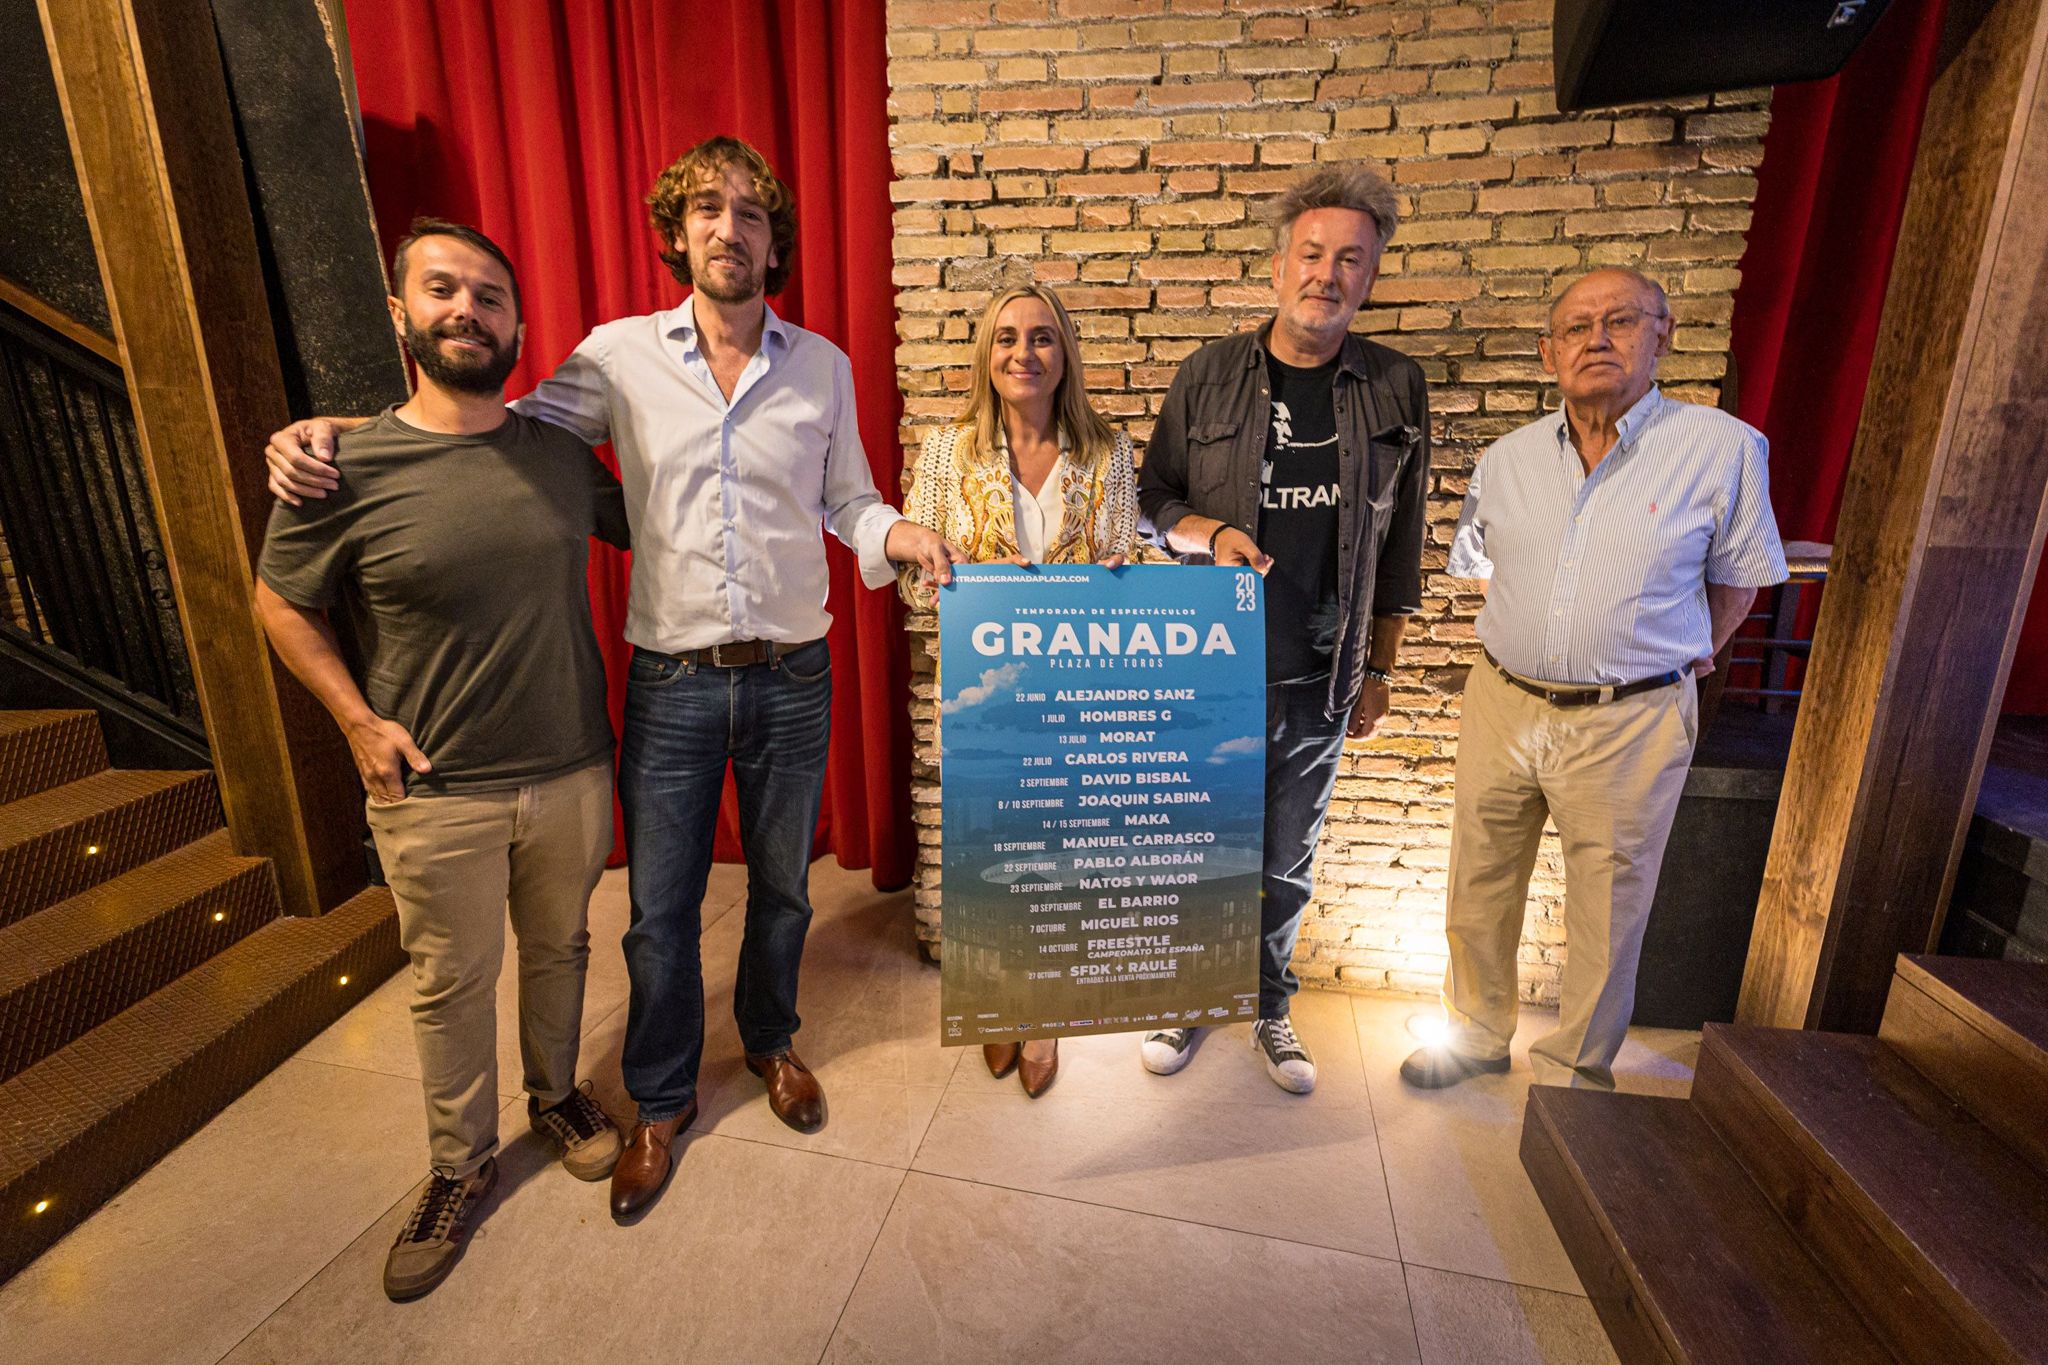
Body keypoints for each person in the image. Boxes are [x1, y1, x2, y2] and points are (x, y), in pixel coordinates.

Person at [262, 137, 962, 1221]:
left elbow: (849, 502)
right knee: (657, 912)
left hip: (792, 675)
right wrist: (345, 435)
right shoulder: (615, 356)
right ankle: (663, 1098)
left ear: (774, 240)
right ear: (675, 234)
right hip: (673, 685)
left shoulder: (820, 364)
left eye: (750, 214)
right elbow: (482, 424)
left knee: (783, 888)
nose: (730, 229)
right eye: (707, 211)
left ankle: (772, 1043)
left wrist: (899, 529)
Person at [255, 219, 628, 1300]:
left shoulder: (561, 456)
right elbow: (279, 600)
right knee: (449, 982)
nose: (467, 309)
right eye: (443, 290)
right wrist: (357, 723)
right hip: (430, 786)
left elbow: (674, 512)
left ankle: (556, 1094)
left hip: (569, 763)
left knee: (559, 947)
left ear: (518, 324)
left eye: (490, 296)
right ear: (401, 314)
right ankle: (457, 1167)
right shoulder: (343, 463)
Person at [1404, 266, 1787, 1093]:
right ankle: (1472, 1033)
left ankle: (1576, 1069)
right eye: (1577, 327)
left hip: (1631, 717)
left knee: (1608, 909)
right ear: (1548, 352)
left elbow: (1741, 578)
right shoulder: (1506, 461)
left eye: (1620, 321)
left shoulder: (1721, 448)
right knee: (1479, 882)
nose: (1597, 340)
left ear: (1663, 334)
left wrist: (1686, 650)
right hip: (1504, 700)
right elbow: (1479, 568)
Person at [1136, 164, 1430, 1095]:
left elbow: (1404, 537)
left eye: (1351, 259)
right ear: (1278, 266)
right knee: (1202, 843)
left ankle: (1267, 1003)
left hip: (1321, 672)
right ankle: (1188, 998)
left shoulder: (1395, 386)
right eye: (1312, 254)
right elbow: (1151, 501)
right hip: (1208, 671)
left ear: (1371, 276)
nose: (1328, 274)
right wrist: (1211, 532)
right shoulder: (1208, 375)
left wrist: (1380, 664)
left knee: (1285, 856)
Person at [899, 283, 1171, 1097]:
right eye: (1008, 337)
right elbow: (914, 588)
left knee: (1065, 863)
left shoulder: (1110, 452)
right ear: (988, 353)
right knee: (994, 858)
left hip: (1082, 697)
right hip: (984, 699)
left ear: (1066, 355)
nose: (1025, 352)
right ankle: (999, 1003)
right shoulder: (949, 451)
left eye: (1044, 337)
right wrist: (966, 578)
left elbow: (1132, 561)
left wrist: (1125, 578)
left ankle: (1045, 1014)